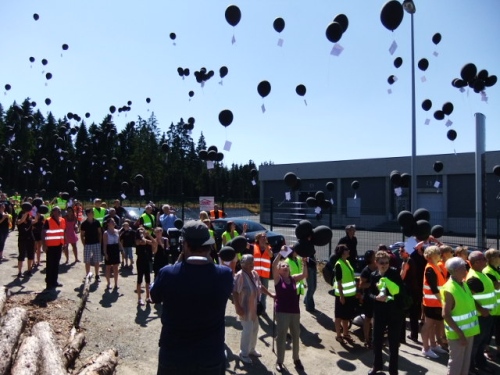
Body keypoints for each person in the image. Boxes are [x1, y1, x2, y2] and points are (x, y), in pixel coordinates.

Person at [150, 220, 233, 374]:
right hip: (210, 355)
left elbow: (154, 296)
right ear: (208, 246)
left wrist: (180, 259)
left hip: (174, 354)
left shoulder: (168, 273)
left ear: (185, 244)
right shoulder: (224, 275)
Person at [367, 251, 405, 375]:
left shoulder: (394, 273)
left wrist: (388, 295)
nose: (384, 265)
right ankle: (376, 365)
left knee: (393, 342)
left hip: (394, 313)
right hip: (379, 313)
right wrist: (376, 297)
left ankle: (393, 370)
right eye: (382, 263)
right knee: (376, 340)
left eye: (386, 262)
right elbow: (369, 293)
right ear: (376, 263)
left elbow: (400, 291)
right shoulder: (374, 275)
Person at [233, 254, 275, 364]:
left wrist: (270, 294)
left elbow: (260, 286)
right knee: (247, 330)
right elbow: (235, 292)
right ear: (243, 265)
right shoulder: (240, 275)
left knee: (255, 329)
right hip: (245, 308)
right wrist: (237, 307)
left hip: (255, 307)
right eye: (249, 263)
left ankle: (251, 349)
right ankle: (243, 353)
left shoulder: (255, 273)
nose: (252, 265)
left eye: (252, 262)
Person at [442, 257, 480, 375]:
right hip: (458, 334)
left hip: (468, 332)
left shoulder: (463, 284)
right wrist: (460, 334)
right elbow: (446, 315)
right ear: (456, 270)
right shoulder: (449, 288)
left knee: (465, 364)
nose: (466, 270)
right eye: (464, 267)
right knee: (456, 365)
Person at [272, 248, 307, 372]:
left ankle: (296, 359)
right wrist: (281, 254)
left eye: (286, 265)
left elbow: (304, 275)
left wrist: (304, 263)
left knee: (296, 336)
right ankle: (280, 361)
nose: (285, 266)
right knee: (281, 336)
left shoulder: (293, 278)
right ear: (279, 270)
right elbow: (273, 265)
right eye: (282, 265)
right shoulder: (278, 279)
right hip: (282, 312)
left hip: (294, 312)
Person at [466, 251, 496, 374]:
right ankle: (471, 366)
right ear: (477, 262)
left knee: (482, 342)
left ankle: (480, 363)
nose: (486, 261)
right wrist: (481, 309)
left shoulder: (481, 273)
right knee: (476, 343)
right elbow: (469, 297)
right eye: (483, 259)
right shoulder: (473, 278)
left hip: (487, 315)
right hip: (480, 316)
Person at [421, 246, 448, 359]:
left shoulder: (435, 266)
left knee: (433, 325)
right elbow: (433, 288)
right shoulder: (430, 268)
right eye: (436, 253)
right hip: (431, 302)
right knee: (428, 325)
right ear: (430, 256)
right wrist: (442, 301)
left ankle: (433, 345)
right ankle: (425, 348)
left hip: (436, 302)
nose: (439, 255)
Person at [333, 244, 357, 344]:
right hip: (342, 296)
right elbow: (339, 281)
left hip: (350, 295)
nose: (349, 250)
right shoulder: (338, 264)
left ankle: (346, 333)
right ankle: (338, 335)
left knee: (346, 316)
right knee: (339, 316)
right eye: (347, 249)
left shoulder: (347, 262)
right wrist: (342, 296)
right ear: (342, 252)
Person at [404, 240, 427, 342]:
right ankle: (414, 335)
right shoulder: (425, 261)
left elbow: (413, 254)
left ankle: (404, 336)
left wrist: (418, 245)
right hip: (419, 289)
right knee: (414, 314)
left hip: (411, 290)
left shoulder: (412, 260)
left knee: (406, 313)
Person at [42, 207, 66, 289]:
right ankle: (49, 282)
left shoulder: (62, 220)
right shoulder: (48, 220)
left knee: (56, 264)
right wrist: (44, 245)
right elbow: (43, 233)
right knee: (50, 264)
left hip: (59, 245)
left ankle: (54, 281)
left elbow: (63, 232)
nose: (59, 211)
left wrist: (64, 243)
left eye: (59, 210)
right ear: (53, 212)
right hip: (50, 246)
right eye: (57, 210)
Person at [483, 248, 500, 360]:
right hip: (491, 308)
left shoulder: (496, 269)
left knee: (498, 330)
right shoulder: (487, 271)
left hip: (498, 308)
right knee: (488, 332)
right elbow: (495, 285)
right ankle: (486, 350)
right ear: (493, 258)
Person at [358, 250, 377, 347]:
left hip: (377, 298)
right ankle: (367, 339)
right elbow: (361, 285)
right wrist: (372, 284)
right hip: (369, 298)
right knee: (368, 319)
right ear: (371, 258)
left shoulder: (378, 267)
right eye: (375, 255)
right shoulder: (366, 271)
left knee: (377, 319)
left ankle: (375, 338)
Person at [80, 209, 102, 281]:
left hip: (96, 243)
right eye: (91, 212)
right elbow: (82, 235)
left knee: (97, 260)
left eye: (93, 212)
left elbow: (99, 233)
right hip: (87, 244)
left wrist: (99, 242)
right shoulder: (84, 224)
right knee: (87, 260)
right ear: (88, 214)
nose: (93, 213)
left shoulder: (97, 222)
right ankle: (88, 275)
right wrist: (84, 244)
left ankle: (97, 275)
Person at [252, 231, 272, 313]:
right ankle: (256, 308)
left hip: (265, 274)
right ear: (258, 239)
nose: (264, 238)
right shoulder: (254, 247)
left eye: (265, 237)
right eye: (262, 237)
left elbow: (271, 255)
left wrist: (266, 246)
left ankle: (263, 309)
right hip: (256, 274)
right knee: (256, 292)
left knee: (264, 292)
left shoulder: (269, 247)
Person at [135, 226, 154, 305]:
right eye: (140, 230)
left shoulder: (145, 238)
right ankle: (139, 298)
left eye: (142, 230)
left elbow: (153, 242)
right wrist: (144, 236)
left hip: (146, 261)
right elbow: (142, 242)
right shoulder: (137, 239)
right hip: (140, 261)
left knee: (148, 280)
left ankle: (147, 296)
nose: (142, 231)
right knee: (140, 279)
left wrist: (149, 235)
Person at [103, 219, 122, 290]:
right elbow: (104, 244)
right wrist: (105, 253)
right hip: (109, 249)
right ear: (108, 224)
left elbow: (119, 241)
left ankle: (116, 284)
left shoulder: (117, 231)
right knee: (108, 268)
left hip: (116, 249)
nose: (113, 223)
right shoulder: (106, 233)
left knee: (116, 268)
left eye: (114, 221)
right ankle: (108, 283)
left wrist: (122, 249)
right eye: (112, 222)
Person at [16, 209, 35, 278]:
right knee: (21, 255)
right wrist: (26, 212)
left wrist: (38, 212)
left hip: (30, 239)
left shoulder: (30, 221)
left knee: (30, 255)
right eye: (23, 214)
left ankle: (29, 270)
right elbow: (21, 220)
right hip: (22, 240)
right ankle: (19, 272)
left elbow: (35, 220)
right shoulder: (18, 221)